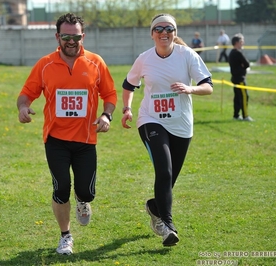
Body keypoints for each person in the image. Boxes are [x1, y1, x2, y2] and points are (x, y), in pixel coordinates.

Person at [17, 13, 117, 255]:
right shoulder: (45, 64)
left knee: (87, 191)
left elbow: (110, 95)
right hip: (56, 139)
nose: (71, 41)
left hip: (85, 140)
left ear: (83, 36)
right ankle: (65, 236)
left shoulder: (95, 62)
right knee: (61, 187)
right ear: (57, 37)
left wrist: (106, 116)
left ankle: (83, 202)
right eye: (66, 37)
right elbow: (27, 92)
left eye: (76, 36)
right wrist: (23, 106)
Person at [121, 13, 213, 247]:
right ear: (152, 34)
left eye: (169, 29)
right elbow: (129, 84)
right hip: (151, 120)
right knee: (164, 171)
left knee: (169, 178)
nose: (164, 33)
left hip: (181, 124)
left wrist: (190, 89)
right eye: (159, 29)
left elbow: (208, 86)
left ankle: (154, 206)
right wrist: (127, 108)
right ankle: (168, 227)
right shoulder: (144, 59)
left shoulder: (187, 55)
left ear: (174, 32)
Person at [229, 33, 253, 121]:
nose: (243, 43)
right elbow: (247, 64)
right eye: (242, 41)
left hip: (234, 78)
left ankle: (236, 115)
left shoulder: (231, 53)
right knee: (244, 97)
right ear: (237, 42)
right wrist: (243, 66)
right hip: (240, 79)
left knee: (237, 97)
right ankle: (245, 116)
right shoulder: (238, 53)